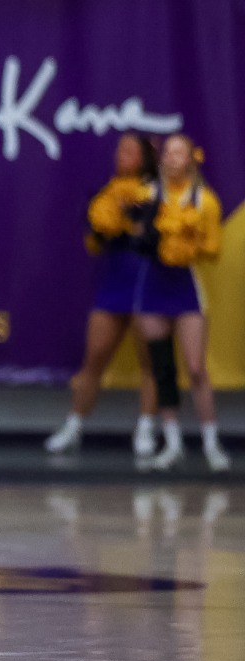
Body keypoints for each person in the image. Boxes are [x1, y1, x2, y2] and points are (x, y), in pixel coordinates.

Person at [46, 134, 162, 458]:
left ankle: (146, 429)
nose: (120, 155)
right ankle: (74, 425)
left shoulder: (156, 192)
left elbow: (156, 235)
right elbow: (95, 241)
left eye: (128, 150)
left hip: (145, 282)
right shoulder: (105, 192)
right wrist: (99, 229)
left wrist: (137, 220)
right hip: (112, 283)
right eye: (119, 150)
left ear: (145, 157)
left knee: (150, 362)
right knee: (94, 358)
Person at [132, 133, 227, 471]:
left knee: (197, 368)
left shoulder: (204, 200)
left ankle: (211, 442)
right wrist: (147, 236)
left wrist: (188, 242)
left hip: (185, 287)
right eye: (167, 152)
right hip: (153, 287)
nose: (172, 158)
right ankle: (171, 442)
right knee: (162, 368)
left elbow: (212, 249)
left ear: (190, 159)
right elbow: (135, 234)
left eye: (179, 152)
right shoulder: (147, 194)